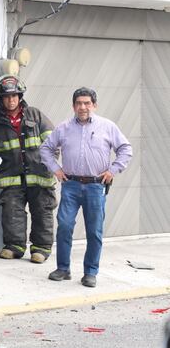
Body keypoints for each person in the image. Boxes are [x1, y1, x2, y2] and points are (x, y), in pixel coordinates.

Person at [40, 87, 132, 287]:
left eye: (87, 103)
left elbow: (126, 149)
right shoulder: (63, 128)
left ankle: (90, 272)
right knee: (64, 226)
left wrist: (113, 170)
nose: (83, 107)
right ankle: (63, 269)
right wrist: (56, 169)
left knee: (94, 231)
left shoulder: (107, 127)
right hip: (70, 185)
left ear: (94, 105)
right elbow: (45, 148)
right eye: (79, 103)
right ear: (73, 106)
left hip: (95, 187)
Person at [0, 76, 57, 264]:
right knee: (12, 212)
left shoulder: (35, 115)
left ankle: (41, 248)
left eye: (14, 95)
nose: (11, 100)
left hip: (39, 175)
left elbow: (53, 141)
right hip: (11, 175)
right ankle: (14, 246)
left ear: (20, 96)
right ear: (1, 99)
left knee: (42, 211)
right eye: (7, 96)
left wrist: (50, 164)